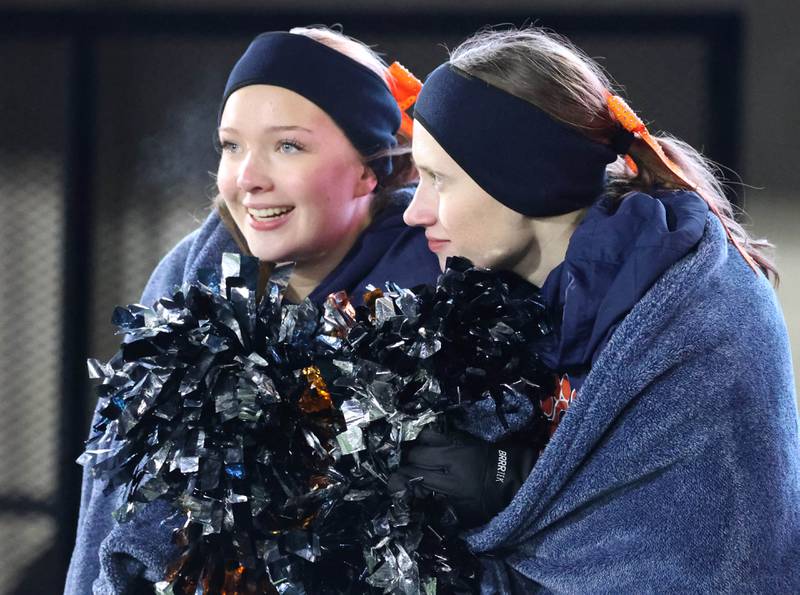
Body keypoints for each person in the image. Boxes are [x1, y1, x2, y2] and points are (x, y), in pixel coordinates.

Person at [394, 27, 800, 592]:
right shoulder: (503, 299)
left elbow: (707, 563)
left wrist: (508, 491)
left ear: (524, 182)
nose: (416, 212)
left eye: (439, 180)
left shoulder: (697, 319)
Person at [65, 27, 440, 594]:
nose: (248, 179)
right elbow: (110, 494)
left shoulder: (441, 281)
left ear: (371, 168)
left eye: (288, 146)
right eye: (231, 146)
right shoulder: (188, 276)